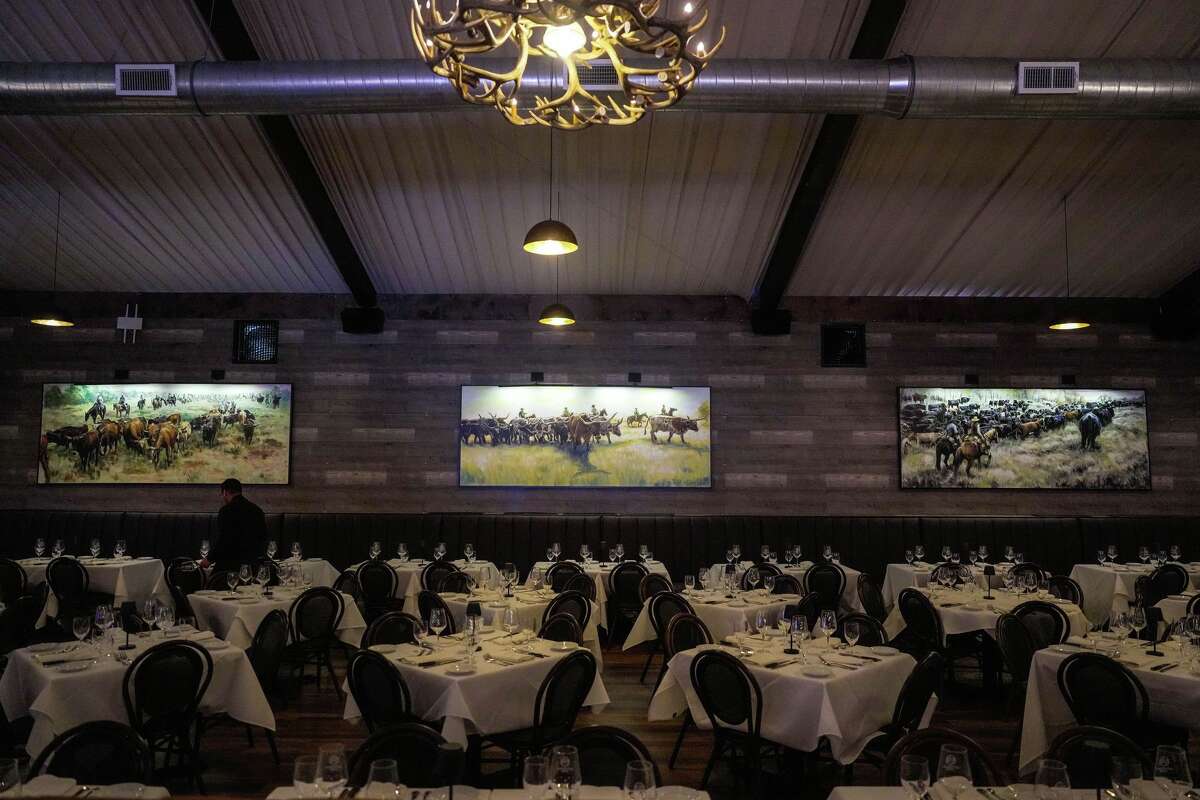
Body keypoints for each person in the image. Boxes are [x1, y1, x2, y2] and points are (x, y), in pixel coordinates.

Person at [207, 478, 268, 569]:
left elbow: (224, 540)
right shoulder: (257, 510)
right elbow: (263, 536)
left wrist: (209, 559)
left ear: (225, 492)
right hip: (253, 566)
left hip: (229, 567)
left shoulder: (226, 510)